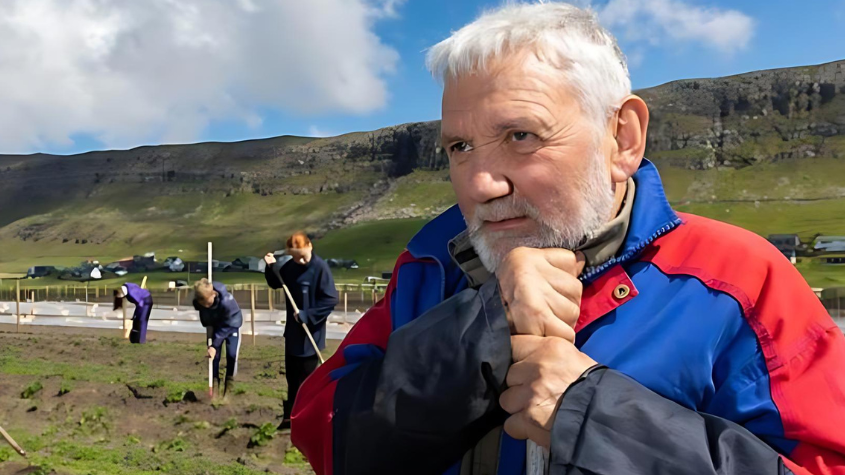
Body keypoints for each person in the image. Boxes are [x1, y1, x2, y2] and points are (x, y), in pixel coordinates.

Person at [290, 3, 845, 475]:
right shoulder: (431, 265)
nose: (480, 184)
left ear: (622, 138)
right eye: (460, 147)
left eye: (521, 135)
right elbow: (326, 438)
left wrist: (593, 417)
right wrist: (483, 330)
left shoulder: (738, 282)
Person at [265, 231, 338, 430]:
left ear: (310, 247)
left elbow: (330, 299)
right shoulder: (290, 267)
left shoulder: (320, 268)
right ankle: (290, 419)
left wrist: (307, 315)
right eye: (296, 257)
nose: (301, 261)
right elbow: (276, 282)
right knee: (291, 378)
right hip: (293, 334)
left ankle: (306, 421)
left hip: (310, 334)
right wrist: (270, 267)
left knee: (306, 381)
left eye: (303, 256)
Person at [193, 278, 243, 399]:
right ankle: (214, 386)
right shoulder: (200, 302)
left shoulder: (226, 302)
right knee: (214, 357)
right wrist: (211, 342)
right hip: (215, 326)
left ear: (213, 294)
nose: (206, 306)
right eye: (203, 304)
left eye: (208, 303)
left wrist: (214, 345)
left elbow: (225, 327)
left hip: (231, 326)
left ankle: (229, 388)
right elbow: (205, 319)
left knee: (231, 355)